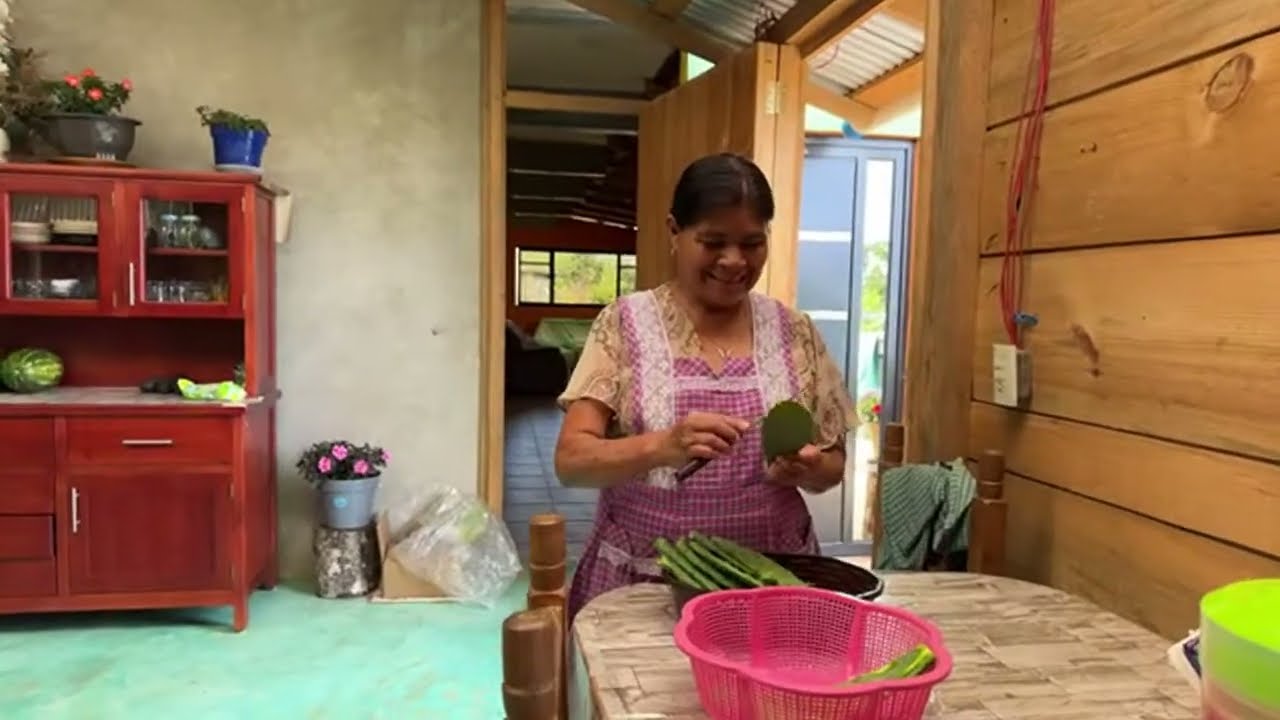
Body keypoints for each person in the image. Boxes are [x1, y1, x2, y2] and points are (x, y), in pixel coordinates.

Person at [554, 152, 856, 621]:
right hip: (646, 588)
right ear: (675, 232)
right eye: (713, 241)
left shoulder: (794, 332)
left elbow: (834, 462)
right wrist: (663, 445)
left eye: (753, 243)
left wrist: (810, 469)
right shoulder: (624, 326)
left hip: (770, 582)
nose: (734, 261)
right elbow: (572, 462)